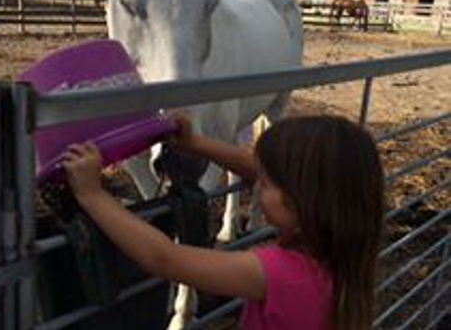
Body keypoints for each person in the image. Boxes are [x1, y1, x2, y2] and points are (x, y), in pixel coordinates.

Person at [62, 113, 385, 330]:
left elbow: (165, 259)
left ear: (304, 201)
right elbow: (256, 168)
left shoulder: (277, 273)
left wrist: (92, 194)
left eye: (267, 183)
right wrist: (195, 143)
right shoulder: (343, 255)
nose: (255, 185)